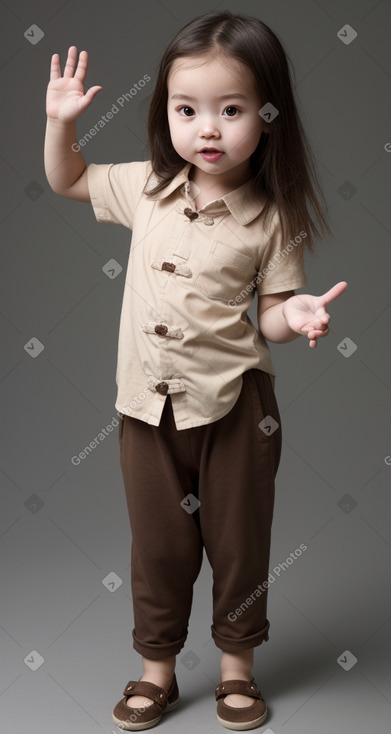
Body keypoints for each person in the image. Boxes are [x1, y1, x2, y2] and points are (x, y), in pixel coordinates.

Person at [44, 10, 347, 731]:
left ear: (267, 115)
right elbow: (68, 180)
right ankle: (156, 671)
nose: (206, 128)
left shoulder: (272, 217)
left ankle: (236, 672)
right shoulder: (146, 186)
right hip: (146, 409)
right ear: (166, 113)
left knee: (239, 540)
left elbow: (268, 314)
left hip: (237, 406)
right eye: (187, 110)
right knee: (158, 546)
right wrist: (61, 123)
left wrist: (296, 314)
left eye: (230, 109)